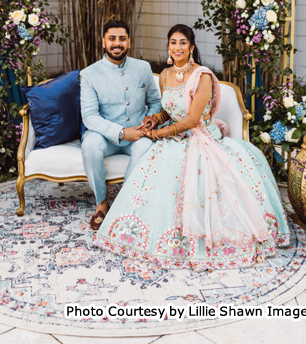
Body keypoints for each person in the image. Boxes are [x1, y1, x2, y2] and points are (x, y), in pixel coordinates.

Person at [93, 24, 290, 270]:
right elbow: (169, 109)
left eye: (183, 43)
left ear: (191, 47)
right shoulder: (164, 75)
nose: (177, 47)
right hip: (173, 136)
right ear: (168, 47)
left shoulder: (202, 75)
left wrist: (160, 133)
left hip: (200, 137)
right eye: (173, 42)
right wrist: (157, 119)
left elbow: (193, 119)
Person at [80, 19, 162, 231]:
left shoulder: (143, 67)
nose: (117, 43)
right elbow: (89, 116)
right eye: (112, 39)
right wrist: (121, 133)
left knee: (146, 147)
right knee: (90, 145)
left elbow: (154, 102)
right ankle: (101, 203)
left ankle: (125, 203)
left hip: (139, 133)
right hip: (105, 136)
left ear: (129, 42)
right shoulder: (89, 74)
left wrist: (149, 122)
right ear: (103, 42)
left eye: (122, 39)